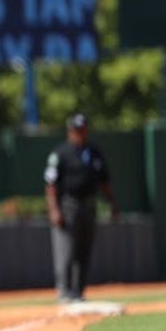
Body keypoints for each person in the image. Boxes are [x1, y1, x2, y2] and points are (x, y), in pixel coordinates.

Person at [44, 113, 119, 304]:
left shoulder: (94, 153)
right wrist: (54, 210)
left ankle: (78, 292)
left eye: (83, 129)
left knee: (84, 250)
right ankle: (64, 292)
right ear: (70, 131)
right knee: (66, 250)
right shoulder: (61, 153)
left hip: (89, 204)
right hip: (69, 205)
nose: (81, 133)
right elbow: (51, 184)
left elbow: (104, 181)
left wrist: (112, 203)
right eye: (77, 130)